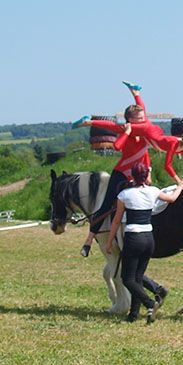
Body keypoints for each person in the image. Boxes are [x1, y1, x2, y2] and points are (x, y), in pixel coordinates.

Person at [71, 96, 154, 257]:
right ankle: (89, 240)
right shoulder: (124, 130)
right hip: (121, 173)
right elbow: (111, 131)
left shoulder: (144, 132)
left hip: (139, 174)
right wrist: (89, 122)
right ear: (130, 120)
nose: (143, 121)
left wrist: (148, 172)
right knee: (107, 206)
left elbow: (145, 154)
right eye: (139, 119)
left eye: (143, 118)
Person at [105, 162, 183, 323]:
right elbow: (172, 199)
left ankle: (150, 303)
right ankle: (133, 315)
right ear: (146, 175)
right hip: (149, 239)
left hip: (133, 238)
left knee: (127, 278)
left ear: (132, 176)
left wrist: (109, 241)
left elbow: (116, 221)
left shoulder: (124, 195)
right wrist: (180, 186)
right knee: (138, 278)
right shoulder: (153, 191)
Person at [119, 81, 183, 186]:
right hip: (149, 132)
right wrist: (179, 182)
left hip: (155, 133)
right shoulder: (174, 143)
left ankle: (136, 93)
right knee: (118, 127)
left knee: (143, 115)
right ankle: (95, 121)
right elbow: (167, 166)